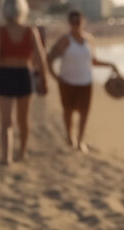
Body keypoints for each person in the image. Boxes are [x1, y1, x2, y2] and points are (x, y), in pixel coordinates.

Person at [0, 0, 49, 164]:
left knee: (6, 122)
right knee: (23, 119)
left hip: (5, 75)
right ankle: (22, 152)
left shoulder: (0, 32)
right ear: (22, 9)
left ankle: (6, 157)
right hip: (24, 75)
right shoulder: (30, 31)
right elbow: (41, 58)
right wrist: (43, 79)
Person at [47, 10, 118, 153]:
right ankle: (69, 137)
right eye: (73, 22)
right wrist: (55, 76)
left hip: (86, 82)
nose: (76, 24)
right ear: (69, 23)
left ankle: (80, 141)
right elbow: (50, 58)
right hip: (67, 82)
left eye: (78, 21)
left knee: (84, 112)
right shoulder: (65, 40)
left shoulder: (89, 39)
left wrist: (110, 64)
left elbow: (93, 61)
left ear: (83, 22)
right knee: (68, 112)